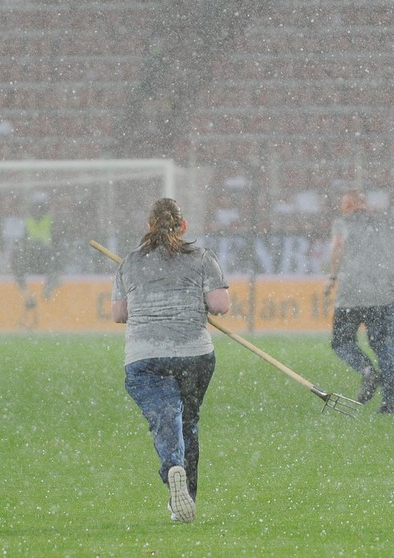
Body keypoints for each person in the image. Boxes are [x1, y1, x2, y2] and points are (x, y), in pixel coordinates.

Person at [111, 198, 230, 523]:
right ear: (184, 226)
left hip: (145, 356)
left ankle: (172, 467)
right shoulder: (202, 257)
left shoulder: (130, 262)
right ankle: (186, 497)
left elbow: (119, 314)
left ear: (149, 226)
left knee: (165, 418)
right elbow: (220, 305)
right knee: (188, 422)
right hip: (194, 354)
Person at [325, 188, 394, 414]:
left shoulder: (343, 223)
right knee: (385, 350)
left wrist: (332, 278)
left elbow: (338, 247)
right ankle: (390, 403)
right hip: (384, 296)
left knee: (341, 342)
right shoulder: (388, 223)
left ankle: (366, 369)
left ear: (348, 206)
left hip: (350, 295)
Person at [13, 191, 59, 306]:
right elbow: (21, 241)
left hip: (46, 256)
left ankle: (47, 291)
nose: (38, 210)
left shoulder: (50, 221)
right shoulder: (27, 221)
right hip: (31, 256)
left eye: (41, 207)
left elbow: (56, 241)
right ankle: (27, 294)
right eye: (36, 206)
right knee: (18, 266)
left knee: (55, 266)